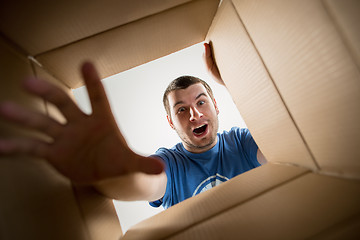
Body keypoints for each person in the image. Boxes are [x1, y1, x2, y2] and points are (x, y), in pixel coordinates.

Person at [0, 43, 266, 208]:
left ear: (217, 106)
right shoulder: (169, 164)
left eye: (201, 102)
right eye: (181, 110)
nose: (194, 115)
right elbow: (140, 184)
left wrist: (235, 81)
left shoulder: (241, 142)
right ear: (170, 122)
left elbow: (291, 141)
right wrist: (104, 169)